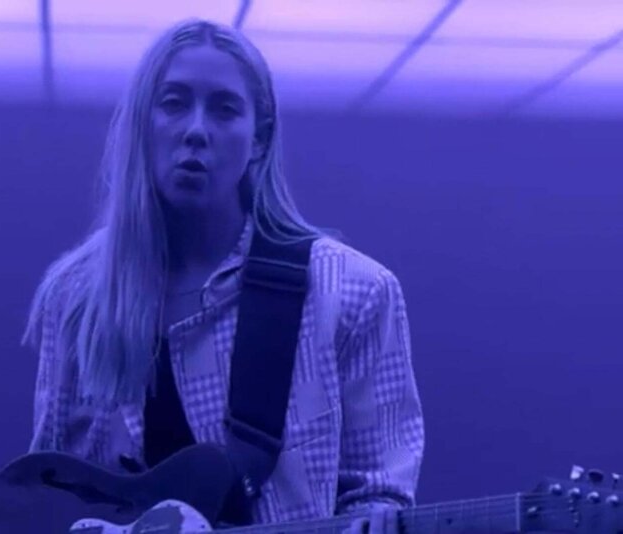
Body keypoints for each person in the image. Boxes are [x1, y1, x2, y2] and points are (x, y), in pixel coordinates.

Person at [22, 18, 424, 533]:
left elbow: (378, 494)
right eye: (173, 103)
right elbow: (45, 497)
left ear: (259, 139)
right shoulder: (76, 294)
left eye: (224, 108)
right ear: (141, 124)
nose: (196, 130)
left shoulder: (353, 293)